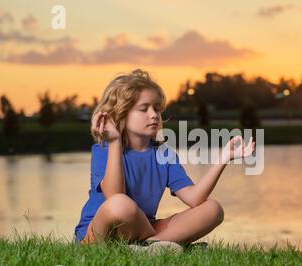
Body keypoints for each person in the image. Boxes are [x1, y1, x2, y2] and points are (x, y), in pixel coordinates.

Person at [73, 69, 255, 251]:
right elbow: (114, 198)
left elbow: (195, 198)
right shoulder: (104, 150)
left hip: (144, 229)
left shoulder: (164, 154)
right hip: (99, 232)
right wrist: (114, 142)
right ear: (121, 114)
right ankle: (163, 244)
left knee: (213, 209)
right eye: (144, 109)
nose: (153, 114)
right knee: (121, 205)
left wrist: (223, 158)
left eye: (156, 108)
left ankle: (150, 246)